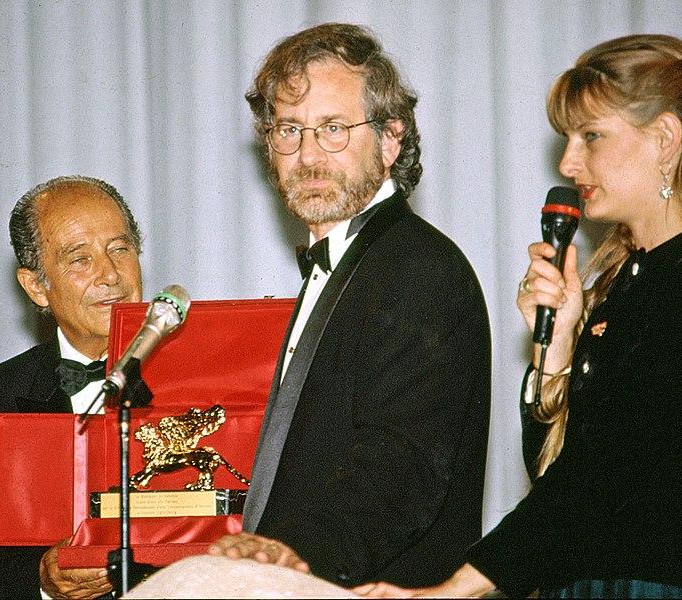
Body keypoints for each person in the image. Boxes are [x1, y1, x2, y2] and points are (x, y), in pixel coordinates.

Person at [357, 34, 682, 599]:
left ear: (666, 139)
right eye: (567, 139)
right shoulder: (628, 282)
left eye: (591, 136)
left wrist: (457, 587)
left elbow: (600, 478)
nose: (568, 163)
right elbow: (554, 472)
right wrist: (557, 348)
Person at [208, 23, 492, 589]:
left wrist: (288, 562)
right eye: (289, 129)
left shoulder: (419, 270)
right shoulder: (356, 264)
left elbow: (400, 467)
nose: (308, 154)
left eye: (333, 129)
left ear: (390, 140)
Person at [0, 175, 144, 599]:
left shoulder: (204, 374)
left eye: (120, 249)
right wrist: (42, 580)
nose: (110, 274)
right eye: (80, 259)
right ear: (37, 286)